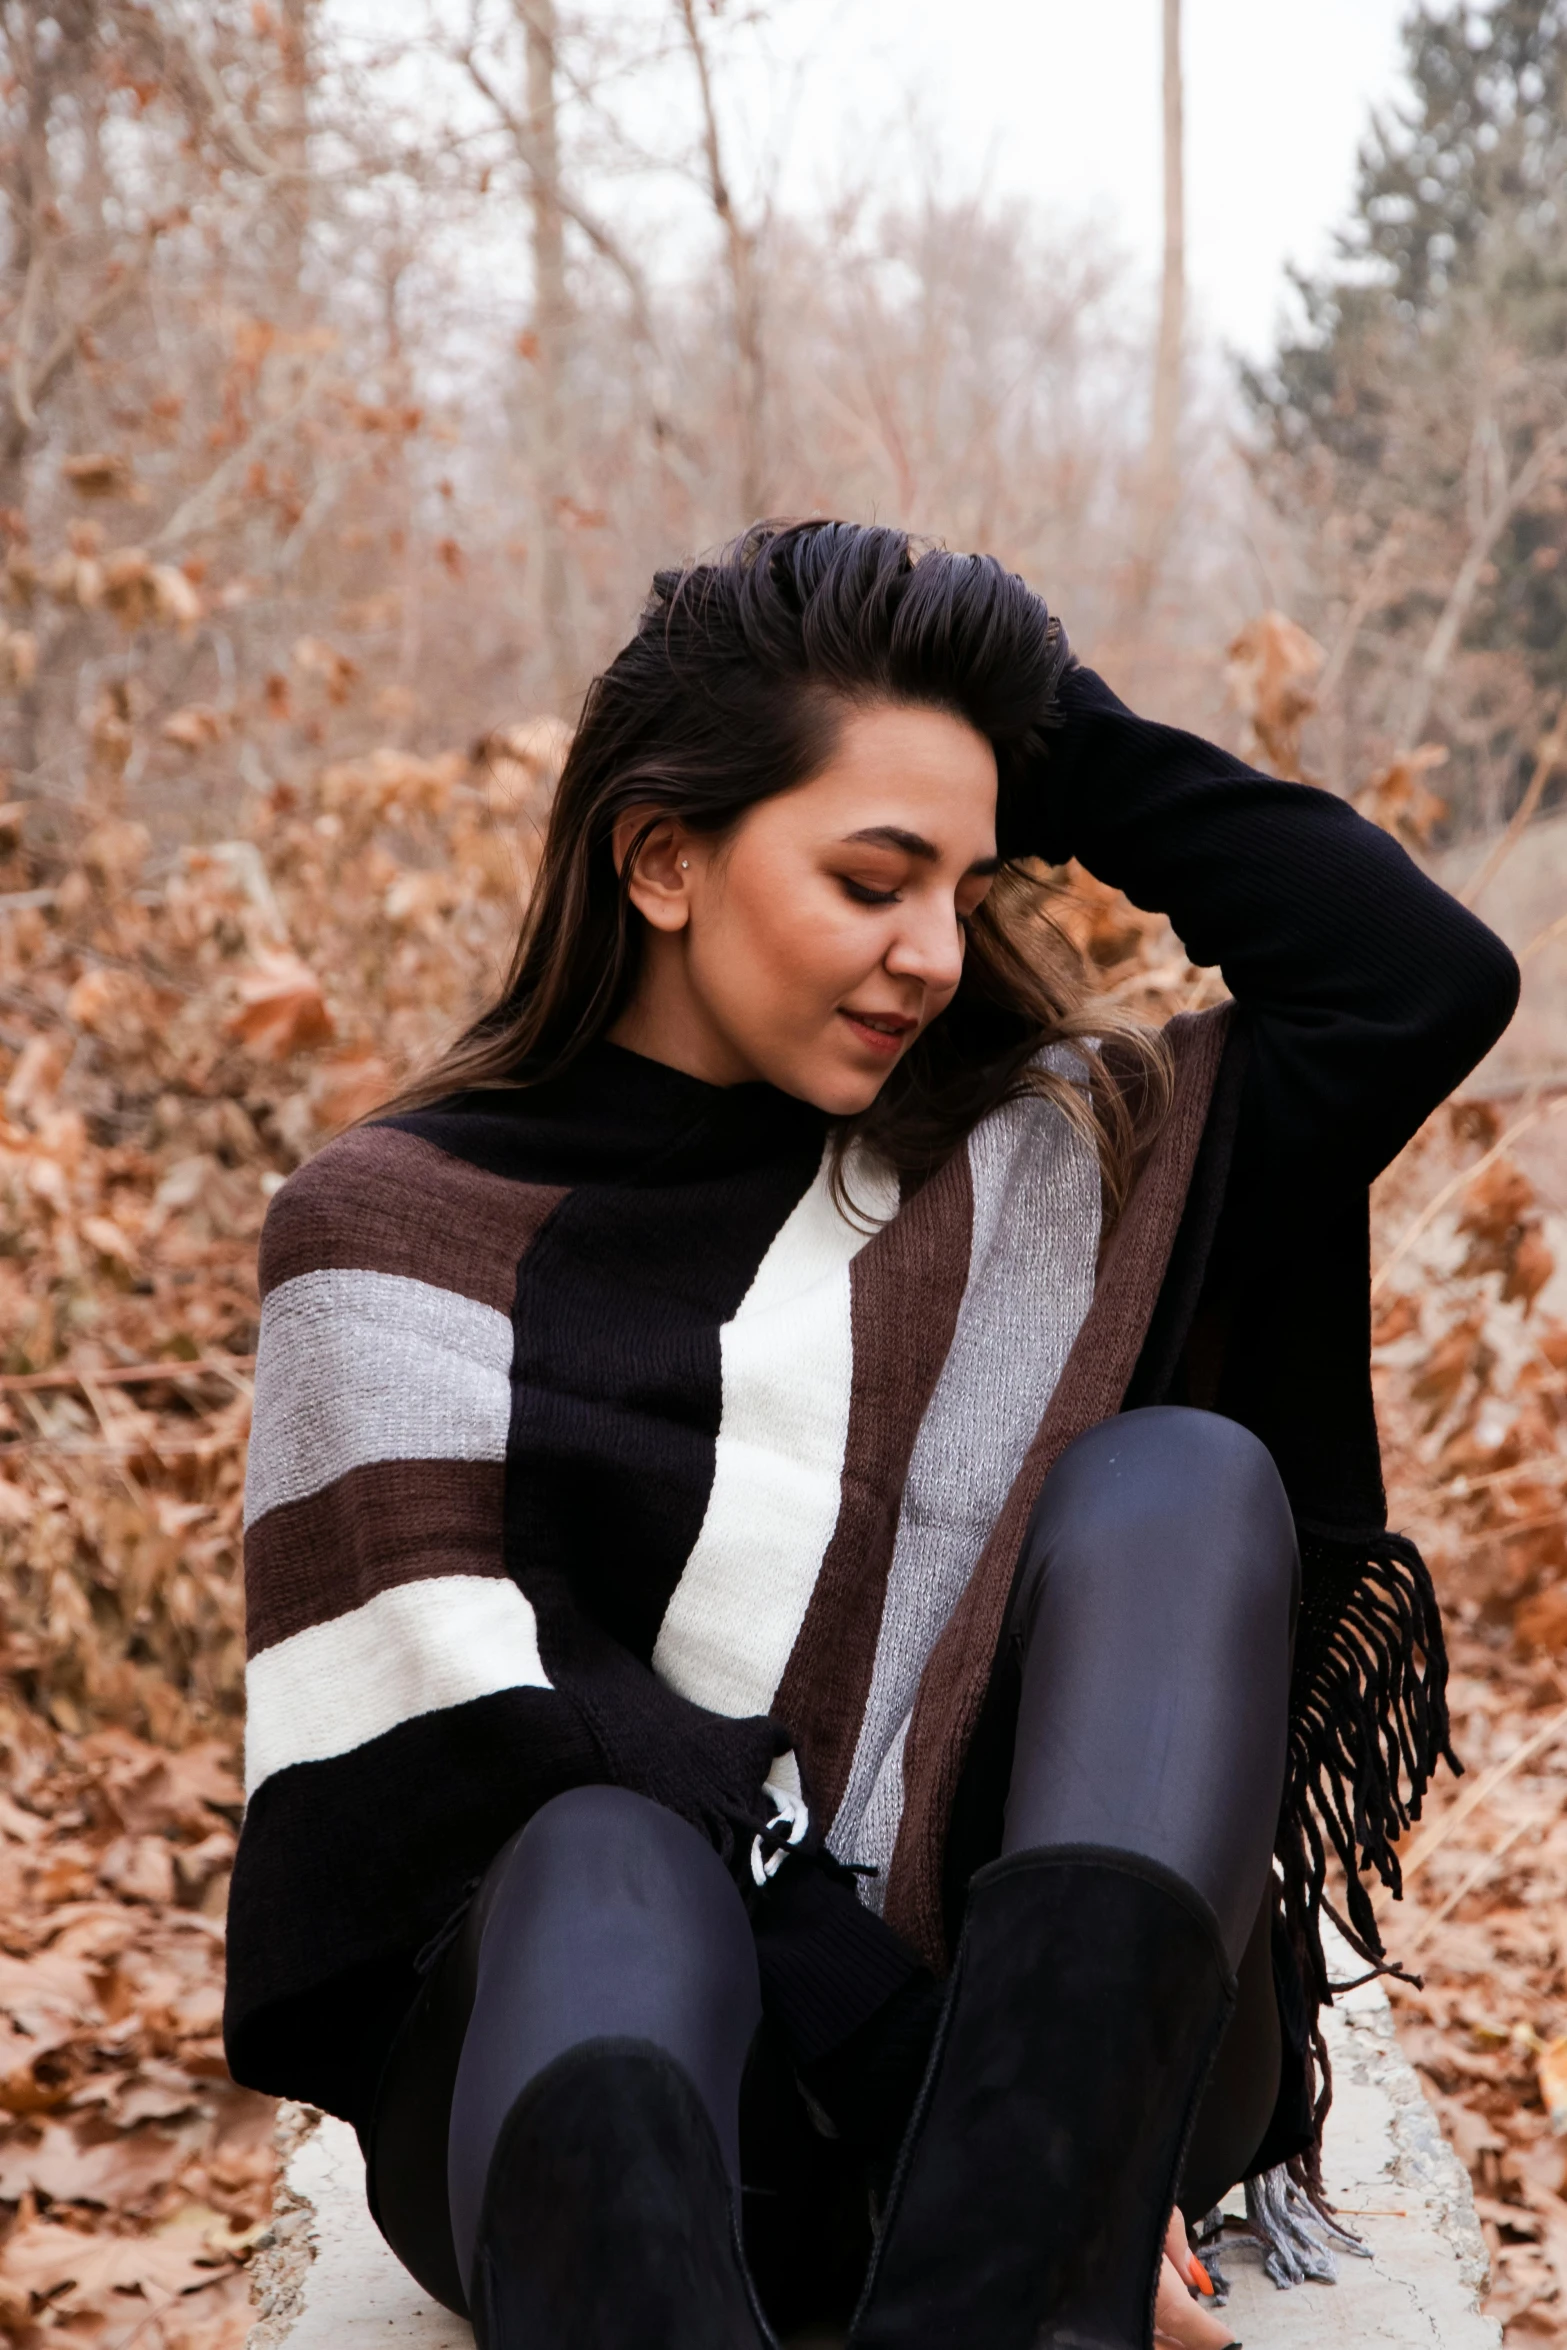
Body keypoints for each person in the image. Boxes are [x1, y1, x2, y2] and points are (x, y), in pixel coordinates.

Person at [224, 521, 1517, 2350]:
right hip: (626, 2100)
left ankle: (1012, 2295)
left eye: (967, 884)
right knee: (597, 1840)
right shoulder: (396, 1227)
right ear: (661, 856)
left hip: (1051, 2113)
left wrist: (1018, 715)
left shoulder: (1029, 1167)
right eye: (870, 874)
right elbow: (469, 1738)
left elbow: (1412, 980)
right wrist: (890, 2050)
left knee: (1186, 1479)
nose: (930, 950)